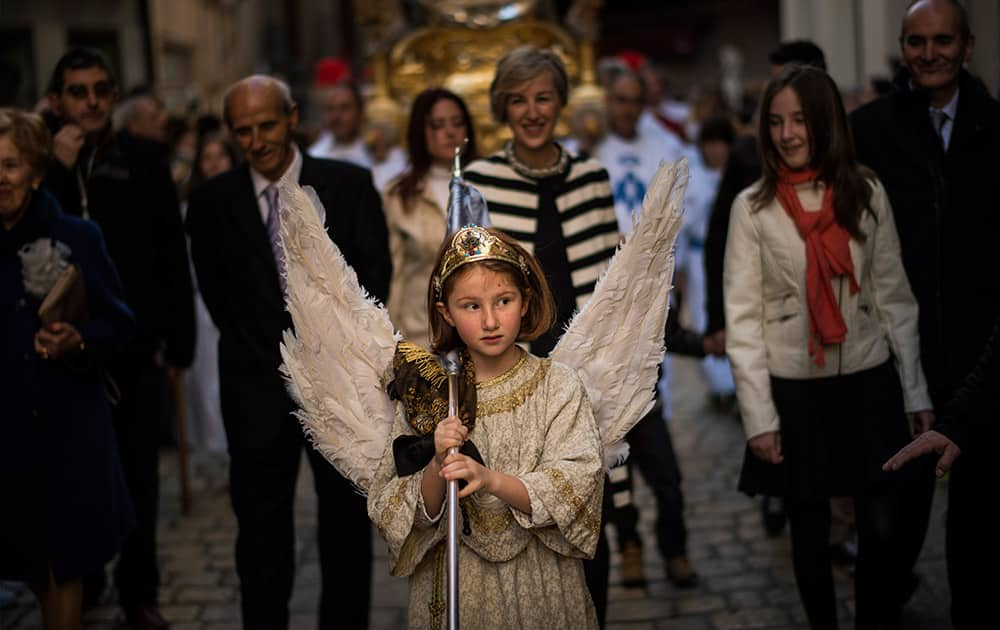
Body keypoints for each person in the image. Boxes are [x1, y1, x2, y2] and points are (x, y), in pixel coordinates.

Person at [724, 65, 932, 629]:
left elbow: (895, 298)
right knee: (811, 537)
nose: (788, 134)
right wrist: (759, 419)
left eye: (800, 120)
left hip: (869, 381)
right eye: (775, 122)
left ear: (827, 123)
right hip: (796, 393)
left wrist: (915, 392)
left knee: (884, 530)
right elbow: (741, 322)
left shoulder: (865, 192)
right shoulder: (753, 208)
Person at [185, 74, 391, 630]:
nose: (257, 141)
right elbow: (220, 298)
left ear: (293, 116)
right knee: (260, 532)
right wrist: (276, 360)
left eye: (267, 125)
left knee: (346, 526)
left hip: (340, 386)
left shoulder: (349, 185)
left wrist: (334, 357)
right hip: (253, 387)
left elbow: (375, 277)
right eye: (243, 131)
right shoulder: (209, 204)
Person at [850, 1, 1000, 625]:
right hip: (896, 366)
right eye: (917, 41)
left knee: (981, 546)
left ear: (966, 45)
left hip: (983, 362)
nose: (929, 52)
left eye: (942, 40)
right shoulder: (869, 131)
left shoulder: (996, 128)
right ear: (903, 48)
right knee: (886, 540)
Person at [463, 45, 621, 624]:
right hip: (512, 368)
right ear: (503, 108)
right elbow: (461, 283)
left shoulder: (593, 177)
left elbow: (613, 283)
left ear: (560, 103)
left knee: (588, 502)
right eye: (518, 100)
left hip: (588, 368)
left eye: (544, 98)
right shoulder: (478, 180)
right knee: (517, 507)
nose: (532, 111)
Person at [41, 48, 195, 630]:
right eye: (78, 91)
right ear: (58, 100)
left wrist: (178, 342)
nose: (91, 101)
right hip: (63, 346)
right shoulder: (44, 159)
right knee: (75, 474)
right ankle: (88, 574)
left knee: (138, 475)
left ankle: (140, 591)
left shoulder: (146, 160)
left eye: (101, 89)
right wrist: (57, 166)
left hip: (132, 341)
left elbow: (169, 255)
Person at [1, 108, 135, 630]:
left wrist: (78, 338)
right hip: (6, 432)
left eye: (11, 165)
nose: (1, 178)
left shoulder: (77, 236)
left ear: (35, 171)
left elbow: (120, 324)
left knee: (65, 563)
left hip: (65, 431)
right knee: (33, 563)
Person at [703, 39, 828, 538]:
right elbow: (718, 242)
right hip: (775, 331)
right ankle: (782, 496)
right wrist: (718, 320)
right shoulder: (748, 154)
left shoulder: (848, 156)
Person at [591, 66, 698, 589]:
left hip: (650, 307)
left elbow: (680, 215)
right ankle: (628, 543)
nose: (627, 109)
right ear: (607, 101)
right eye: (620, 100)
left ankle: (673, 547)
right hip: (601, 316)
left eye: (635, 100)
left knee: (663, 464)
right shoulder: (589, 152)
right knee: (615, 464)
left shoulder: (662, 144)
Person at [383, 88, 477, 345]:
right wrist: (390, 339)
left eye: (458, 123)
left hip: (483, 331)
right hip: (421, 333)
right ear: (420, 132)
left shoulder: (486, 184)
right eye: (438, 125)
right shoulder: (398, 195)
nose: (450, 132)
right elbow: (395, 273)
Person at [182, 132, 238, 453]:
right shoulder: (191, 207)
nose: (215, 163)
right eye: (207, 158)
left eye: (221, 156)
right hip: (204, 305)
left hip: (238, 307)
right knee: (206, 382)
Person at [308, 81, 407, 191]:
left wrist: (381, 163)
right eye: (331, 109)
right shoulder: (315, 155)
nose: (336, 116)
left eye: (345, 108)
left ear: (360, 112)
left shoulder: (381, 149)